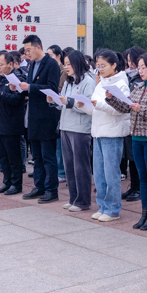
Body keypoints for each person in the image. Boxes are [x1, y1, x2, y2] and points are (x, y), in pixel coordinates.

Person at [107, 53, 147, 230]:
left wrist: (141, 109)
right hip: (136, 137)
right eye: (139, 67)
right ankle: (144, 213)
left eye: (144, 67)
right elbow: (127, 107)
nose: (140, 71)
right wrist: (111, 98)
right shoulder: (139, 86)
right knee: (142, 177)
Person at [89, 50, 130, 222]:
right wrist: (83, 105)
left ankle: (113, 209)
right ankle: (102, 206)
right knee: (98, 173)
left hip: (112, 133)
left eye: (103, 65)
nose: (100, 69)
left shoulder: (121, 84)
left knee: (111, 172)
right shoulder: (100, 83)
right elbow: (95, 108)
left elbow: (121, 110)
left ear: (114, 65)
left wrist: (99, 105)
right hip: (98, 132)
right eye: (98, 66)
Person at [19, 35, 61, 203]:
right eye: (25, 51)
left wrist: (30, 87)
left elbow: (52, 87)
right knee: (36, 155)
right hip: (34, 116)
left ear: (38, 47)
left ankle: (52, 189)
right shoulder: (32, 64)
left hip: (47, 116)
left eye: (28, 50)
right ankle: (39, 186)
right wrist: (21, 88)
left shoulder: (51, 64)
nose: (26, 53)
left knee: (48, 156)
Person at [53, 50, 96, 211]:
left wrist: (69, 101)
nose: (66, 67)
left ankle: (83, 201)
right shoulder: (68, 81)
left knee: (80, 166)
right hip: (65, 126)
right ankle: (73, 198)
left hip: (80, 129)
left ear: (78, 63)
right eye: (65, 64)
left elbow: (88, 106)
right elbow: (64, 103)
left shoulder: (88, 81)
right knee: (69, 165)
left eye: (69, 64)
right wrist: (54, 100)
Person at [0, 51, 26, 195]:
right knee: (3, 157)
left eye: (1, 64)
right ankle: (7, 182)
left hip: (11, 125)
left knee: (13, 157)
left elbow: (17, 99)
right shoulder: (0, 78)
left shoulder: (17, 78)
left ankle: (16, 184)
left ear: (10, 64)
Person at [121, 46, 145, 203]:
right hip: (128, 121)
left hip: (139, 123)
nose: (130, 64)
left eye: (132, 60)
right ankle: (133, 186)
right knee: (131, 157)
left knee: (137, 159)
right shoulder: (127, 77)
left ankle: (139, 188)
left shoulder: (141, 80)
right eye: (128, 61)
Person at [46, 45, 67, 184]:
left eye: (51, 55)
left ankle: (61, 172)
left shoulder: (63, 72)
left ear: (59, 56)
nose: (49, 58)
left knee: (60, 143)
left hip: (61, 108)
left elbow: (60, 89)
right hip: (52, 106)